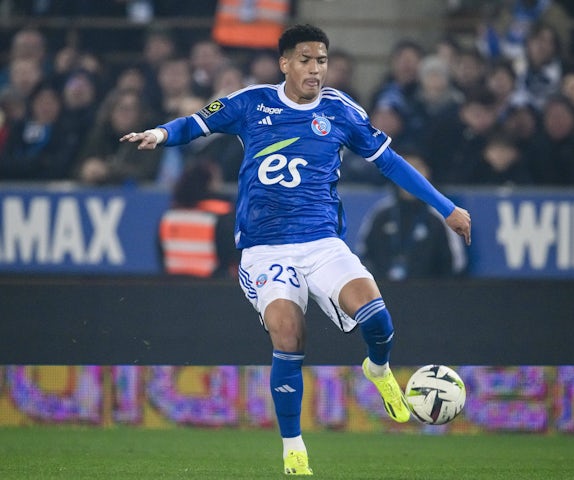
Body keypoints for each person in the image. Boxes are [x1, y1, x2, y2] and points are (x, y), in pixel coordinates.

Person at [120, 24, 471, 476]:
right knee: (289, 334)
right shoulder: (250, 103)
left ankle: (378, 368)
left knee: (379, 319)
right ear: (285, 63)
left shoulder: (341, 111)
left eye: (321, 60)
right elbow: (195, 123)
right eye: (305, 60)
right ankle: (293, 448)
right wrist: (160, 135)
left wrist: (445, 208)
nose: (315, 69)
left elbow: (391, 163)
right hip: (265, 250)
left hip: (323, 243)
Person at [357, 150, 465, 280]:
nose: (411, 176)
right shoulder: (380, 214)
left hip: (430, 296)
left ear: (428, 173)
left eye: (417, 168)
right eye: (404, 169)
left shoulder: (441, 217)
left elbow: (455, 265)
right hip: (384, 295)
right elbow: (364, 257)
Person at [159, 161, 240, 278]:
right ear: (209, 184)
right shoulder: (223, 217)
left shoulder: (168, 218)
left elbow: (162, 258)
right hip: (214, 288)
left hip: (174, 288)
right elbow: (232, 257)